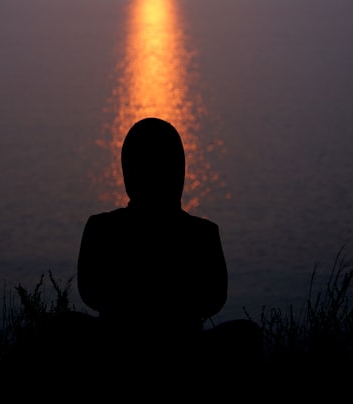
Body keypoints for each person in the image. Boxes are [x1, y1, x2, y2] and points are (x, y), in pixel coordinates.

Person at [76, 117, 261, 383]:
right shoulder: (204, 234)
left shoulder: (101, 228)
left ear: (128, 173)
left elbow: (90, 294)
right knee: (247, 334)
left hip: (116, 345)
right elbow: (214, 300)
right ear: (179, 172)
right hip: (185, 349)